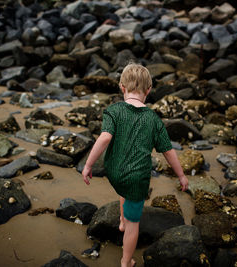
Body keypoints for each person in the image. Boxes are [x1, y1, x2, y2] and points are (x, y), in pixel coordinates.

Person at [82, 63, 189, 267]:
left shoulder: (113, 110)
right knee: (134, 223)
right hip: (136, 178)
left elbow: (104, 138)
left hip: (113, 171)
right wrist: (181, 175)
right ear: (148, 90)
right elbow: (168, 151)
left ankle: (122, 220)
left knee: (125, 186)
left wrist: (88, 165)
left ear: (122, 87)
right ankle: (126, 261)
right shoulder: (153, 119)